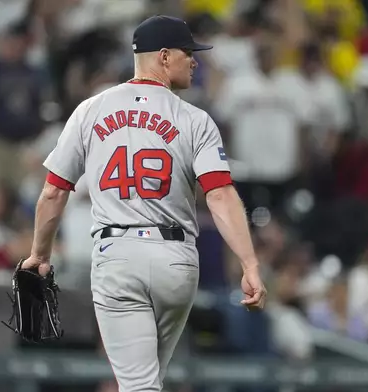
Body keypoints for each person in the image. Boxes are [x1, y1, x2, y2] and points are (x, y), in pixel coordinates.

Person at [19, 15, 267, 392]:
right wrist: (249, 263)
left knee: (138, 386)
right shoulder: (195, 119)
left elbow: (54, 191)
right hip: (176, 261)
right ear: (164, 57)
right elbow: (219, 194)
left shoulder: (91, 110)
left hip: (117, 257)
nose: (195, 61)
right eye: (188, 53)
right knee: (147, 382)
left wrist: (39, 254)